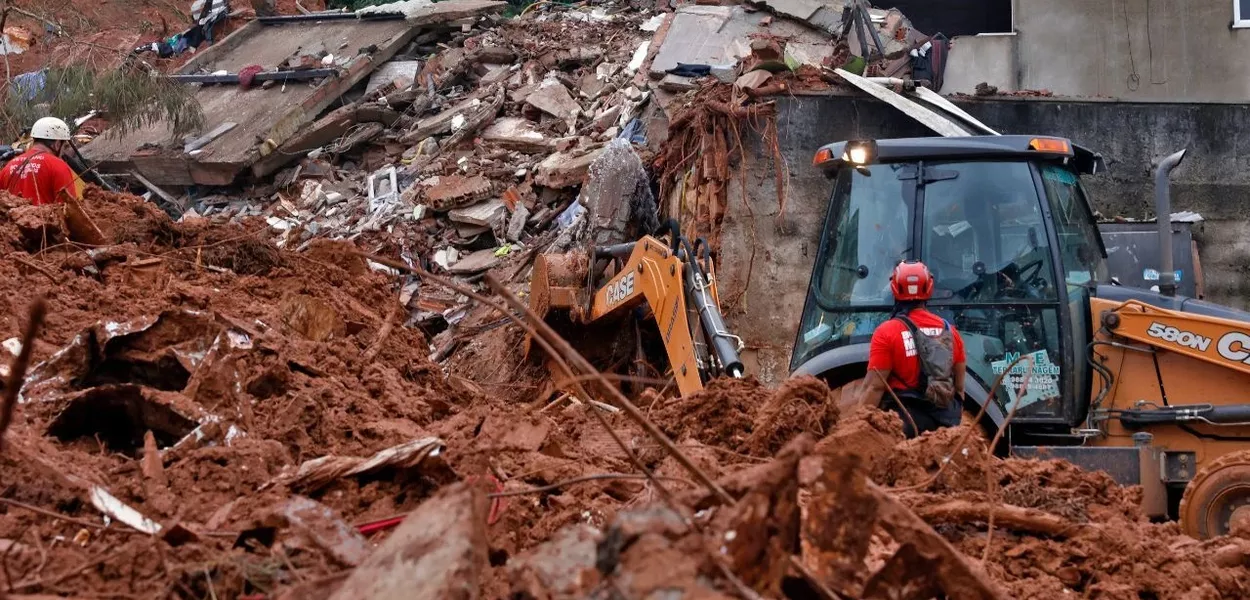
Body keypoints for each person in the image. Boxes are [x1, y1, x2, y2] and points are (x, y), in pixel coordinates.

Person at [853, 260, 967, 438]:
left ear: (894, 288)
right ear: (929, 288)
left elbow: (874, 387)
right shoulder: (951, 332)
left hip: (903, 427)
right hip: (944, 428)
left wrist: (856, 430)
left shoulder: (887, 332)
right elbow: (959, 387)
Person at [0, 117, 83, 206]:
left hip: (14, 219)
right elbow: (70, 209)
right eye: (64, 147)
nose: (63, 152)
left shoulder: (8, 167)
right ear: (57, 144)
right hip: (46, 219)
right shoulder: (58, 166)